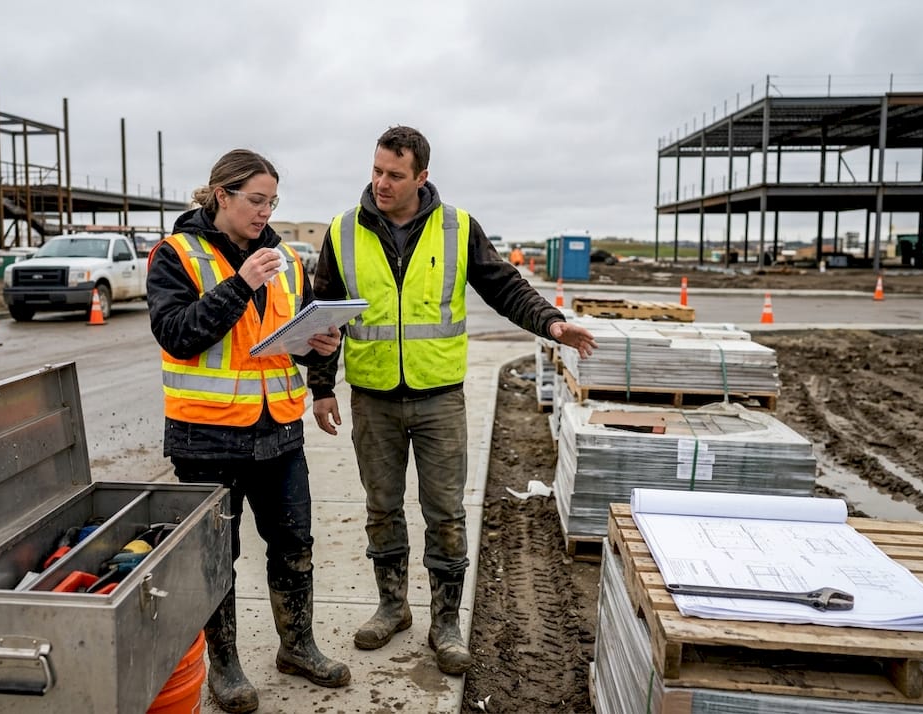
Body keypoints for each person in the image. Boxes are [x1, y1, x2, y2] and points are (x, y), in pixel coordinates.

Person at [309, 126, 597, 675]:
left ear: (422, 176)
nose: (381, 182)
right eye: (376, 171)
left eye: (395, 174)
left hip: (439, 398)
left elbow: (505, 286)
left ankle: (445, 623)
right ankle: (393, 607)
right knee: (381, 508)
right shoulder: (344, 230)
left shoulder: (457, 228)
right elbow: (324, 309)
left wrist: (552, 324)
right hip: (372, 399)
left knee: (444, 513)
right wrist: (322, 386)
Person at [147, 149, 350, 713]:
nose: (266, 212)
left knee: (294, 543)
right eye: (256, 201)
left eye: (273, 202)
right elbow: (177, 335)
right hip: (206, 437)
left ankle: (298, 646)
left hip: (277, 429)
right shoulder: (175, 255)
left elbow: (296, 329)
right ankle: (227, 665)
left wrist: (321, 346)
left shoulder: (281, 256)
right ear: (221, 197)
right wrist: (238, 285)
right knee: (218, 556)